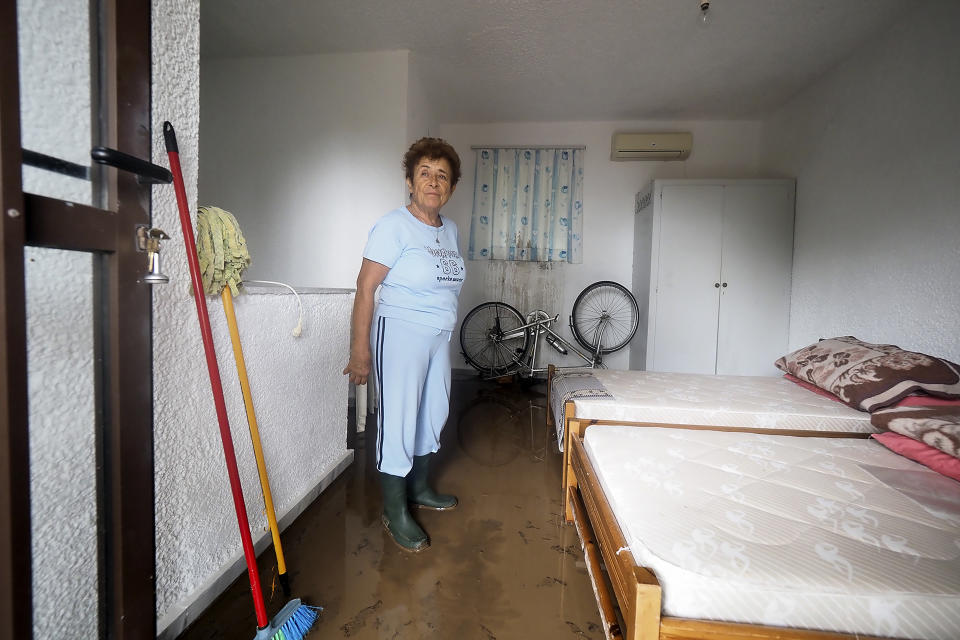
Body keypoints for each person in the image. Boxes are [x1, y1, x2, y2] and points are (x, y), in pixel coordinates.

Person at [343, 137, 465, 552]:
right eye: (425, 173)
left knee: (434, 411)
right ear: (411, 182)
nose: (433, 181)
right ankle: (394, 509)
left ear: (450, 187)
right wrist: (359, 351)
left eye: (442, 176)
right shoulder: (393, 225)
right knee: (398, 419)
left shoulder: (451, 230)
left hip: (439, 334)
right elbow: (365, 288)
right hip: (399, 331)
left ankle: (419, 487)